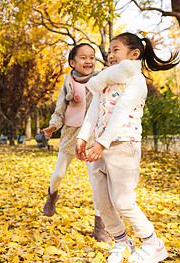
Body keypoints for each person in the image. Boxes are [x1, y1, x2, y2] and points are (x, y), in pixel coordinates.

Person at [75, 32, 179, 263]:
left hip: (123, 146)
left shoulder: (136, 80)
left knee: (123, 202)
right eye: (109, 51)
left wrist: (102, 143)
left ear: (134, 54)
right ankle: (122, 242)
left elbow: (121, 113)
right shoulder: (105, 81)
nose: (110, 55)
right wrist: (83, 137)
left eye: (116, 50)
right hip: (98, 147)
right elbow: (93, 112)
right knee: (101, 202)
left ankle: (153, 244)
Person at [42, 43, 112, 242]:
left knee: (97, 182)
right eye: (83, 57)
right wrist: (52, 126)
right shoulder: (67, 85)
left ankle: (99, 228)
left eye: (92, 57)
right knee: (59, 174)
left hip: (91, 136)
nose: (89, 61)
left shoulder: (100, 79)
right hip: (70, 135)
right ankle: (52, 194)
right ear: (72, 62)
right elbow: (59, 111)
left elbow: (119, 72)